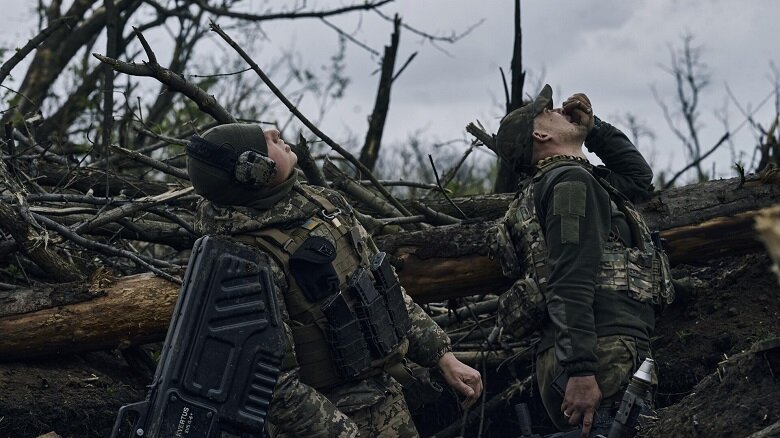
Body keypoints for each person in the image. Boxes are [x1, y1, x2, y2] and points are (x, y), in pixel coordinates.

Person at [185, 123, 482, 437]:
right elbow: (271, 385)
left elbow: (385, 290)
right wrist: (345, 432)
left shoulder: (326, 205)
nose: (274, 132)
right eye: (262, 141)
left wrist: (442, 356)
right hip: (327, 420)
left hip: (387, 396)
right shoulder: (242, 260)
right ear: (252, 170)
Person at [492, 85, 674, 437]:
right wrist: (581, 370)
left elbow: (639, 179)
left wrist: (596, 129)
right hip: (599, 356)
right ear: (540, 133)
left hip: (585, 355)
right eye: (550, 112)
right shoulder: (570, 182)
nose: (561, 110)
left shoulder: (556, 184)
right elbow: (569, 275)